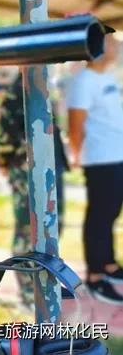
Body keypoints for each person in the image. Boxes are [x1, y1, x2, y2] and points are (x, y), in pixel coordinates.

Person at [0, 73, 68, 309]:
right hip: (26, 170)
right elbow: (4, 135)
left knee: (53, 226)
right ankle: (28, 292)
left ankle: (44, 285)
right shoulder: (19, 89)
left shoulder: (42, 84)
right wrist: (8, 163)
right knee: (28, 229)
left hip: (49, 166)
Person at [67, 33, 123, 305]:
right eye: (111, 42)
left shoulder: (108, 78)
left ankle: (109, 265)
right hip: (100, 159)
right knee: (99, 216)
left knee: (111, 212)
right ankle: (95, 275)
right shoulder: (83, 81)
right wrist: (76, 154)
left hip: (117, 156)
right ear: (99, 48)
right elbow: (76, 122)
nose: (116, 46)